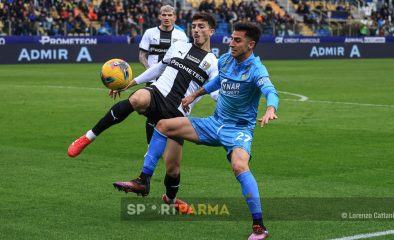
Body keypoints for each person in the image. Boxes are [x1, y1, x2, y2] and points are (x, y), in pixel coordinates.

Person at [115, 22, 278, 240]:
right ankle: (143, 180)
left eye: (238, 40)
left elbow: (270, 90)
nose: (232, 43)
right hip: (213, 123)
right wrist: (194, 94)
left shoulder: (256, 69)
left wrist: (270, 108)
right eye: (231, 38)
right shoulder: (226, 60)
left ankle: (259, 226)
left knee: (239, 167)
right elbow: (218, 81)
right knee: (164, 125)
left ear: (251, 45)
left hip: (238, 129)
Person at [67, 12, 219, 213]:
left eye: (201, 26)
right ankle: (87, 138)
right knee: (137, 99)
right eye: (194, 26)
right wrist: (129, 84)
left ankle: (170, 199)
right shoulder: (179, 46)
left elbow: (217, 93)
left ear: (211, 31)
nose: (196, 30)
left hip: (178, 112)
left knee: (173, 168)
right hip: (158, 92)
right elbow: (157, 69)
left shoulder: (214, 63)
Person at [138, 4, 188, 144]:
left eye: (170, 15)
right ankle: (150, 146)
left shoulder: (181, 36)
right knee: (152, 114)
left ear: (175, 17)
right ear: (159, 16)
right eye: (164, 15)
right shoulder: (150, 33)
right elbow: (142, 55)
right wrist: (150, 70)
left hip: (172, 80)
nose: (167, 18)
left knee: (170, 113)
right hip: (154, 80)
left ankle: (169, 145)